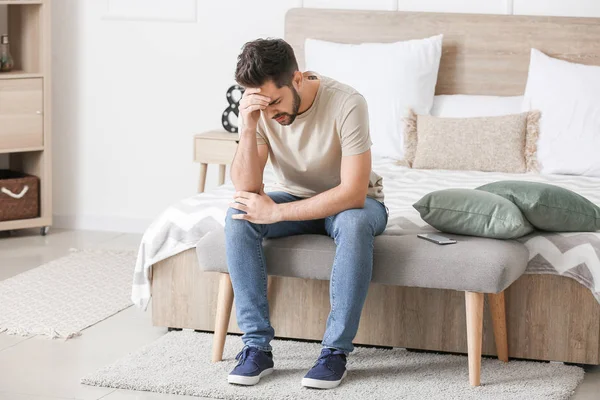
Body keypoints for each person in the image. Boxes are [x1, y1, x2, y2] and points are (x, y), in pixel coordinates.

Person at [225, 38, 388, 390]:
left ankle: (334, 352)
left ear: (297, 78)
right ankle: (256, 347)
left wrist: (276, 214)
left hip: (355, 204)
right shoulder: (261, 112)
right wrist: (248, 125)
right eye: (261, 105)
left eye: (276, 102)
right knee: (237, 215)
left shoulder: (347, 103)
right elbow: (246, 186)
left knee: (355, 222)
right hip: (296, 198)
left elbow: (353, 193)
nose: (273, 113)